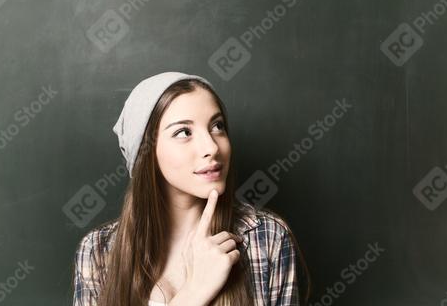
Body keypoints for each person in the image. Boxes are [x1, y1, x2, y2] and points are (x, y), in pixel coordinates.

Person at [71, 72, 311, 306]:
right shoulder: (98, 252)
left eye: (217, 126)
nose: (212, 146)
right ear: (145, 153)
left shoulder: (268, 238)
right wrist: (195, 291)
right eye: (183, 132)